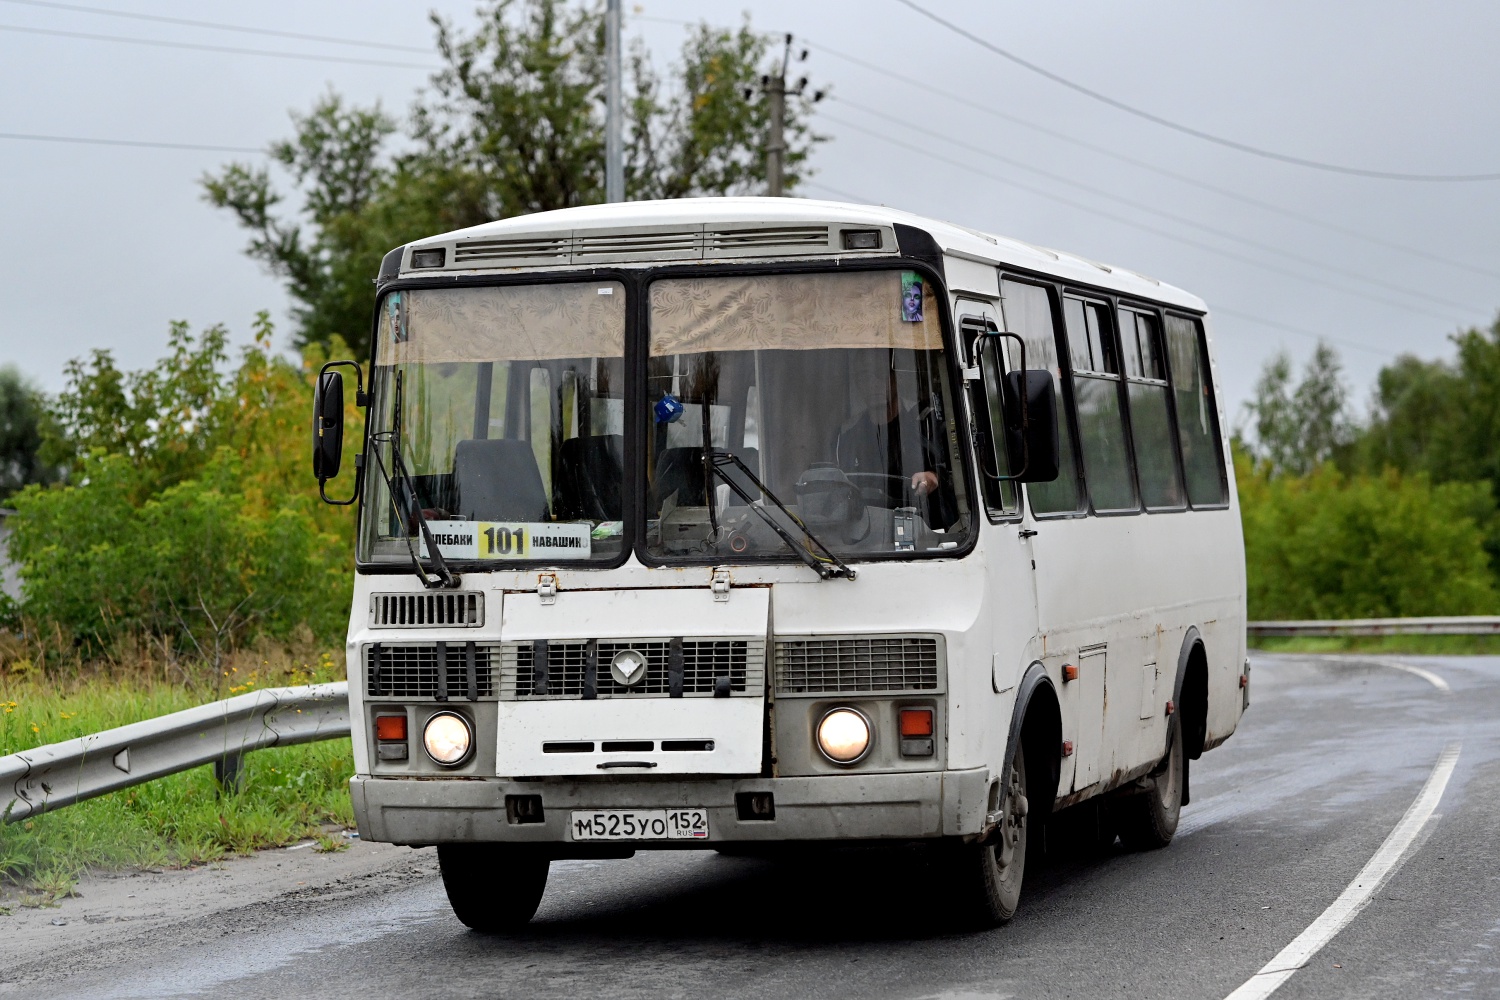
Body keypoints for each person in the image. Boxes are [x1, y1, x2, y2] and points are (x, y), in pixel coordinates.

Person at [833, 349, 958, 529]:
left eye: (879, 373)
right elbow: (839, 487)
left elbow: (959, 477)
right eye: (864, 376)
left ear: (896, 376)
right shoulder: (847, 434)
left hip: (928, 530)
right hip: (868, 533)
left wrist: (933, 477)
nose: (872, 383)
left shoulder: (927, 421)